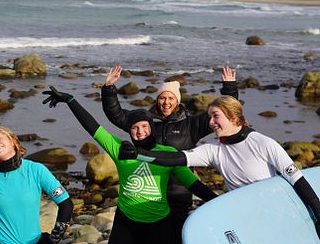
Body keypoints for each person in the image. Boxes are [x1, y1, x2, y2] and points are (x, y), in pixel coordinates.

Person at [42, 87, 217, 244]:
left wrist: (220, 203)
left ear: (151, 127)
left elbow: (195, 185)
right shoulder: (120, 149)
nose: (140, 131)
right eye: (135, 127)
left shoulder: (168, 154)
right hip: (126, 224)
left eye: (144, 126)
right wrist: (71, 100)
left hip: (157, 226)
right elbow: (93, 127)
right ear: (130, 131)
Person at [101, 65, 238, 244]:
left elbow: (223, 116)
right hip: (148, 194)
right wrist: (109, 89)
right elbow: (117, 116)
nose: (165, 102)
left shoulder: (191, 124)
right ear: (157, 100)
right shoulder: (146, 124)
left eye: (170, 98)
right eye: (162, 97)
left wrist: (229, 89)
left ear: (178, 101)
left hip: (178, 192)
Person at [117, 95, 320, 236]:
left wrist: (317, 211)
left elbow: (296, 178)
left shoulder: (262, 143)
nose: (211, 122)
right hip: (244, 217)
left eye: (216, 116)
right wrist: (140, 154)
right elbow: (176, 158)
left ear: (233, 116)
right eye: (210, 117)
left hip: (275, 212)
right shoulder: (214, 149)